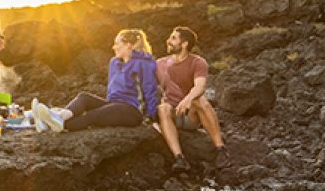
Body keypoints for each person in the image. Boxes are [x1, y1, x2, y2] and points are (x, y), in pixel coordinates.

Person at [32, 29, 158, 132]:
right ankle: (55, 120)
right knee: (84, 97)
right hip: (113, 104)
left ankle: (55, 122)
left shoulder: (144, 63)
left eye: (117, 43)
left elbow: (150, 90)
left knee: (91, 115)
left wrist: (152, 118)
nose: (113, 47)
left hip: (132, 111)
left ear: (128, 45)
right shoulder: (114, 62)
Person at [156, 26, 230, 172]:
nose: (168, 41)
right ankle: (179, 158)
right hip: (172, 115)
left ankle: (220, 149)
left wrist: (188, 99)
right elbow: (147, 89)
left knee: (200, 99)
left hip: (191, 115)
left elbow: (200, 86)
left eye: (173, 38)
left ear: (184, 44)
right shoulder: (159, 64)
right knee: (162, 107)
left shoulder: (198, 62)